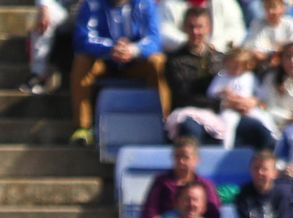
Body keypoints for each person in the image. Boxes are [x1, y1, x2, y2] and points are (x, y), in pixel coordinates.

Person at [69, 0, 166, 146]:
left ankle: (164, 123)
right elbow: (83, 39)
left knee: (158, 62)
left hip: (135, 61)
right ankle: (83, 127)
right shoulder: (92, 4)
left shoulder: (146, 4)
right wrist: (111, 48)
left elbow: (155, 40)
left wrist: (133, 50)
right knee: (82, 61)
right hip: (104, 61)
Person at [140, 136, 221, 218]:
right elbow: (150, 214)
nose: (181, 161)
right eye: (177, 157)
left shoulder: (205, 185)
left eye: (185, 157)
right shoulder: (161, 182)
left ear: (196, 160)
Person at [163, 8, 224, 144]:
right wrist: (218, 102)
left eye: (200, 27)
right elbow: (183, 96)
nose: (196, 32)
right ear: (184, 28)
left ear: (208, 28)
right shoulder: (175, 61)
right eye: (191, 27)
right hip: (188, 113)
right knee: (192, 129)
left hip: (219, 113)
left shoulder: (220, 59)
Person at [158, 0, 244, 54]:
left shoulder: (226, 2)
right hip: (182, 57)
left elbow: (237, 31)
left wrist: (214, 45)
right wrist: (190, 43)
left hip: (219, 58)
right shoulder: (169, 4)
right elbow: (164, 31)